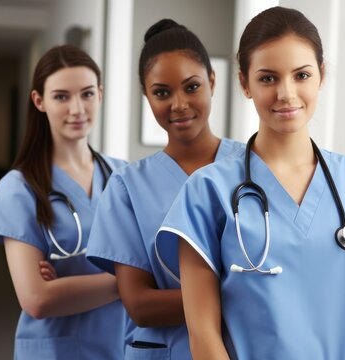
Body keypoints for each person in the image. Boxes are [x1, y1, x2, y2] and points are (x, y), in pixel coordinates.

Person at [155, 6, 345, 360]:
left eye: (301, 75)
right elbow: (203, 333)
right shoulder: (207, 191)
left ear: (321, 76)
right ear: (244, 83)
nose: (286, 93)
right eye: (268, 78)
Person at [85, 19, 243, 359]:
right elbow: (140, 306)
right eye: (162, 92)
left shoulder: (254, 167)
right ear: (146, 95)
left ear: (212, 81)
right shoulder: (127, 187)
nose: (179, 104)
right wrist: (245, 296)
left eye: (191, 87)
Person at [0, 45, 127, 359]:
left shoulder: (125, 176)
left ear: (100, 95)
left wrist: (69, 285)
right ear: (39, 101)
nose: (77, 109)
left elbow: (155, 263)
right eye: (62, 96)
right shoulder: (19, 188)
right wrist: (127, 282)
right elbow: (36, 299)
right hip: (56, 350)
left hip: (120, 344)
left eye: (87, 94)